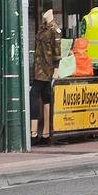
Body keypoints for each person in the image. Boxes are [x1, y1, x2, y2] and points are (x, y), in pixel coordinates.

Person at [31, 8, 59, 140]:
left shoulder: (54, 29)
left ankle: (35, 132)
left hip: (45, 68)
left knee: (35, 94)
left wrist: (56, 69)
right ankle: (45, 133)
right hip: (39, 67)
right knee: (46, 96)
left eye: (48, 15)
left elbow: (56, 50)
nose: (45, 15)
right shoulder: (43, 28)